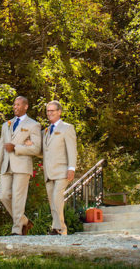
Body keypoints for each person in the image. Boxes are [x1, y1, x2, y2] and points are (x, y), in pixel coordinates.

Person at [0, 96, 41, 235]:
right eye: (14, 105)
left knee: (18, 198)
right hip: (6, 167)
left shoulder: (33, 125)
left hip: (22, 166)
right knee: (4, 196)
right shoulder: (6, 125)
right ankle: (24, 221)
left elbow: (36, 149)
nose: (15, 107)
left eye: (18, 105)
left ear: (26, 106)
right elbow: (0, 148)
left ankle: (17, 230)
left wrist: (16, 147)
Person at [40, 100, 77, 235]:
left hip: (62, 171)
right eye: (48, 111)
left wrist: (71, 168)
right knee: (52, 201)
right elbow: (44, 151)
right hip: (49, 173)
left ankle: (59, 228)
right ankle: (58, 229)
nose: (49, 113)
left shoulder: (67, 128)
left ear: (59, 112)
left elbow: (72, 150)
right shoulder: (45, 131)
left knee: (57, 197)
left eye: (52, 111)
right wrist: (28, 144)